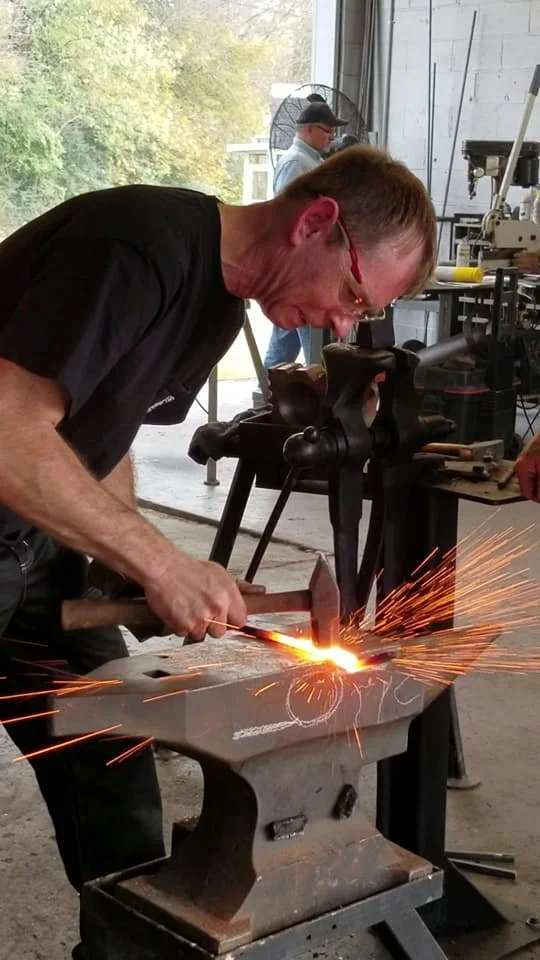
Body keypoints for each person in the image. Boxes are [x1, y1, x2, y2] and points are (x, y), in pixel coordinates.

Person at [0, 144, 435, 956]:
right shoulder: (131, 250)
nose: (344, 325)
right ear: (314, 222)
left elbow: (103, 431)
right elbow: (7, 429)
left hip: (30, 546)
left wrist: (126, 556)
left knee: (110, 759)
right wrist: (163, 564)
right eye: (350, 294)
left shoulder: (217, 307)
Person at [264, 99, 346, 369]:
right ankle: (289, 400)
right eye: (327, 129)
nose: (332, 136)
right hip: (301, 272)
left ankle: (269, 398)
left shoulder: (312, 163)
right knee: (317, 349)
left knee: (285, 345)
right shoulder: (296, 163)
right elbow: (288, 220)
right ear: (308, 130)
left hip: (304, 270)